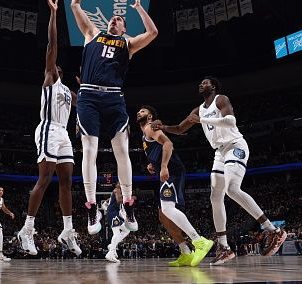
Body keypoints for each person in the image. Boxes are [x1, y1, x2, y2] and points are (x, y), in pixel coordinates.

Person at [152, 77, 286, 265]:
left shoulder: (220, 99)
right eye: (200, 83)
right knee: (215, 197)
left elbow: (231, 121)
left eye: (205, 82)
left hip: (234, 146)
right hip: (220, 152)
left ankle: (273, 230)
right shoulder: (198, 109)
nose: (201, 84)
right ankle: (223, 246)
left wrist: (202, 120)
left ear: (213, 87)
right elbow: (181, 129)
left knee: (231, 189)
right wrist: (163, 126)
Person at [71, 0, 158, 234]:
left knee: (122, 151)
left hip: (113, 98)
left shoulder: (128, 44)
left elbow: (153, 32)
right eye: (113, 18)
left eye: (119, 19)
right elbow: (75, 4)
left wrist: (139, 8)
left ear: (124, 27)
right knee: (89, 151)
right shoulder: (92, 34)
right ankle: (90, 207)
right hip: (88, 96)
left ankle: (129, 204)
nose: (115, 19)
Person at [17, 0, 81, 257]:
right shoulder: (49, 79)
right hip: (47, 129)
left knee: (66, 180)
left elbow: (84, 106)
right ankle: (27, 229)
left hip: (64, 133)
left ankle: (67, 230)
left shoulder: (68, 90)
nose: (55, 69)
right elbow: (51, 44)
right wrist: (54, 13)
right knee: (44, 179)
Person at [137, 105, 214, 267]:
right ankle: (185, 252)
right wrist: (153, 164)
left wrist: (164, 166)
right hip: (165, 172)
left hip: (172, 171)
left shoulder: (150, 127)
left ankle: (199, 241)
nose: (139, 112)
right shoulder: (145, 135)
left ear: (150, 117)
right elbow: (158, 148)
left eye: (143, 111)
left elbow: (168, 144)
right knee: (163, 216)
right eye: (139, 111)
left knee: (167, 209)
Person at [103, 183, 131, 263]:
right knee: (117, 233)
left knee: (127, 230)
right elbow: (119, 200)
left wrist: (107, 202)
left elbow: (110, 200)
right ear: (117, 184)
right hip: (113, 214)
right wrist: (128, 198)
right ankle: (110, 253)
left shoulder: (116, 192)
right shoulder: (117, 190)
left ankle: (112, 246)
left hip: (115, 213)